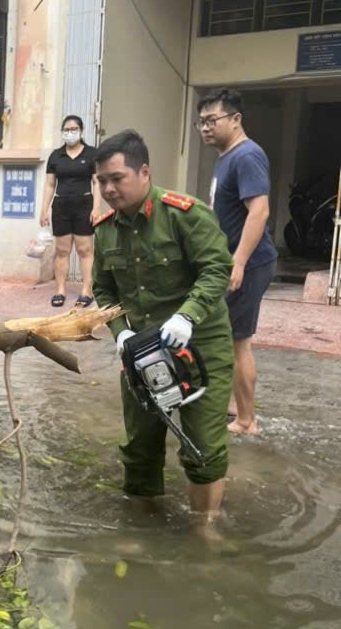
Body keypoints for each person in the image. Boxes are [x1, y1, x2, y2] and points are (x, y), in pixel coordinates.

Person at [92, 129, 234, 528]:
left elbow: (217, 268)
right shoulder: (104, 230)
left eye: (116, 179)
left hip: (199, 344)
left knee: (203, 443)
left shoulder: (184, 215)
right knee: (140, 443)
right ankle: (142, 528)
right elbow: (103, 288)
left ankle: (205, 530)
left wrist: (187, 315)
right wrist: (119, 332)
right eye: (101, 181)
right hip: (141, 350)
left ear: (144, 173)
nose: (108, 189)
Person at [198, 89, 278, 435]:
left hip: (249, 262)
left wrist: (239, 262)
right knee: (227, 336)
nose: (204, 128)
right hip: (232, 261)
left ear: (235, 119)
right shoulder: (227, 156)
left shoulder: (247, 155)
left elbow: (259, 211)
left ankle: (247, 421)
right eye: (200, 122)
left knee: (237, 340)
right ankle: (234, 406)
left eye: (211, 120)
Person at [40, 116, 101, 308]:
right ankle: (60, 290)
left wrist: (96, 208)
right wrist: (43, 210)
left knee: (85, 250)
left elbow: (97, 182)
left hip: (84, 205)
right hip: (61, 206)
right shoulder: (56, 156)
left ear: (81, 131)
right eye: (66, 129)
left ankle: (86, 290)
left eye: (74, 129)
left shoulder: (92, 154)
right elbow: (50, 184)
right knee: (62, 250)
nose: (70, 132)